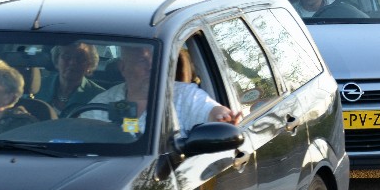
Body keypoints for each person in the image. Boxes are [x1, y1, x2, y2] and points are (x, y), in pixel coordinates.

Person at [81, 45, 239, 135]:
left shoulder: (184, 95)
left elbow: (210, 110)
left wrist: (222, 116)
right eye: (142, 60)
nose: (151, 66)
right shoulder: (102, 103)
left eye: (155, 59)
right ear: (123, 68)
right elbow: (83, 139)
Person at [37, 42, 104, 114]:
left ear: (89, 65)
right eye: (66, 56)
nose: (72, 62)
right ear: (57, 61)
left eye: (80, 58)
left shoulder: (100, 97)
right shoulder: (38, 88)